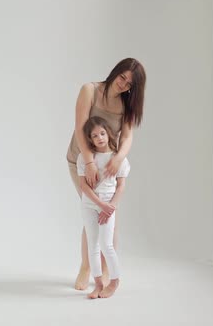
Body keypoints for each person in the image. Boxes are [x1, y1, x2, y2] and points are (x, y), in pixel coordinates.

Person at [66, 58, 146, 290]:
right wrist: (89, 162)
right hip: (81, 161)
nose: (123, 84)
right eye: (122, 77)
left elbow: (127, 137)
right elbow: (81, 127)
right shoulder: (89, 90)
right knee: (92, 211)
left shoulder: (127, 104)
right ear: (115, 72)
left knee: (109, 215)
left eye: (129, 84)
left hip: (108, 165)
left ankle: (107, 267)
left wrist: (118, 158)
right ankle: (86, 266)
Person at [77, 116, 130, 299]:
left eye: (102, 133)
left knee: (106, 245)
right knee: (93, 244)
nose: (99, 138)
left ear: (108, 133)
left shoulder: (118, 159)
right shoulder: (85, 158)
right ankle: (98, 283)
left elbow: (121, 186)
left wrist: (110, 207)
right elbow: (83, 186)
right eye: (94, 136)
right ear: (90, 140)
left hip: (108, 205)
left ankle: (114, 281)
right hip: (90, 204)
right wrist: (99, 204)